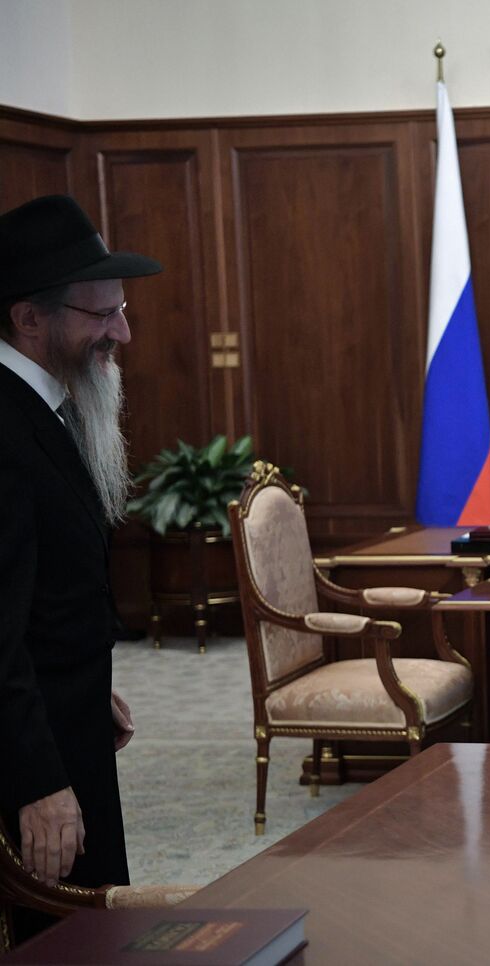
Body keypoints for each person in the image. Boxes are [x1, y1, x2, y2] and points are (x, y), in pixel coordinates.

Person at [0, 194, 161, 935]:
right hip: (36, 765)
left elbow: (41, 593)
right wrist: (37, 783)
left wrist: (86, 686)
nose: (121, 333)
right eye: (101, 315)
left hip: (70, 723)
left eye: (120, 310)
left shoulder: (44, 407)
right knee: (65, 940)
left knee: (98, 931)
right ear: (28, 318)